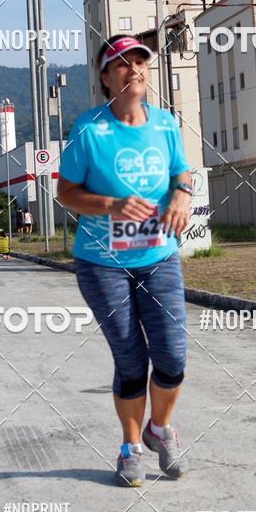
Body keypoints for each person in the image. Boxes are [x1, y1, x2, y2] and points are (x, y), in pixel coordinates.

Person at [58, 34, 193, 488]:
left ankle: (161, 428)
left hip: (159, 256)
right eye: (122, 64)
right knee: (131, 358)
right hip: (102, 262)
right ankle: (131, 445)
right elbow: (66, 193)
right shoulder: (88, 129)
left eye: (140, 63)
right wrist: (112, 206)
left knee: (172, 354)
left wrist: (182, 194)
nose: (133, 70)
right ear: (104, 77)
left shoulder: (165, 124)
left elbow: (182, 170)